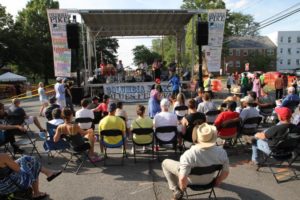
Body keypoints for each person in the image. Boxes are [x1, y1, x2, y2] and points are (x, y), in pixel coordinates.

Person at [161, 123, 229, 200]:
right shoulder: (222, 152)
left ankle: (176, 190)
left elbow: (183, 178)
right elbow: (226, 172)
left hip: (191, 182)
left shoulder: (188, 154)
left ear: (197, 137)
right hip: (209, 181)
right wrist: (218, 180)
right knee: (185, 167)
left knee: (165, 163)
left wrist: (182, 188)